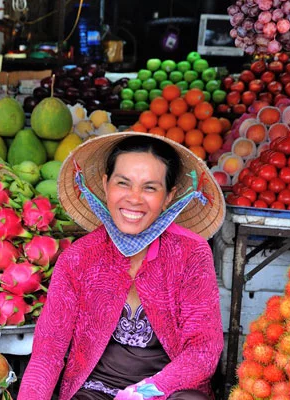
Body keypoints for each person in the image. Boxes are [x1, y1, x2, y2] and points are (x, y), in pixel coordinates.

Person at [18, 132, 225, 400]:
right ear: (106, 185)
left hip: (168, 392)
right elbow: (49, 351)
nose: (134, 198)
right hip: (94, 392)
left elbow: (204, 350)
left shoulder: (191, 253)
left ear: (168, 196)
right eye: (123, 183)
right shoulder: (79, 258)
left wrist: (144, 392)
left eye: (150, 188)